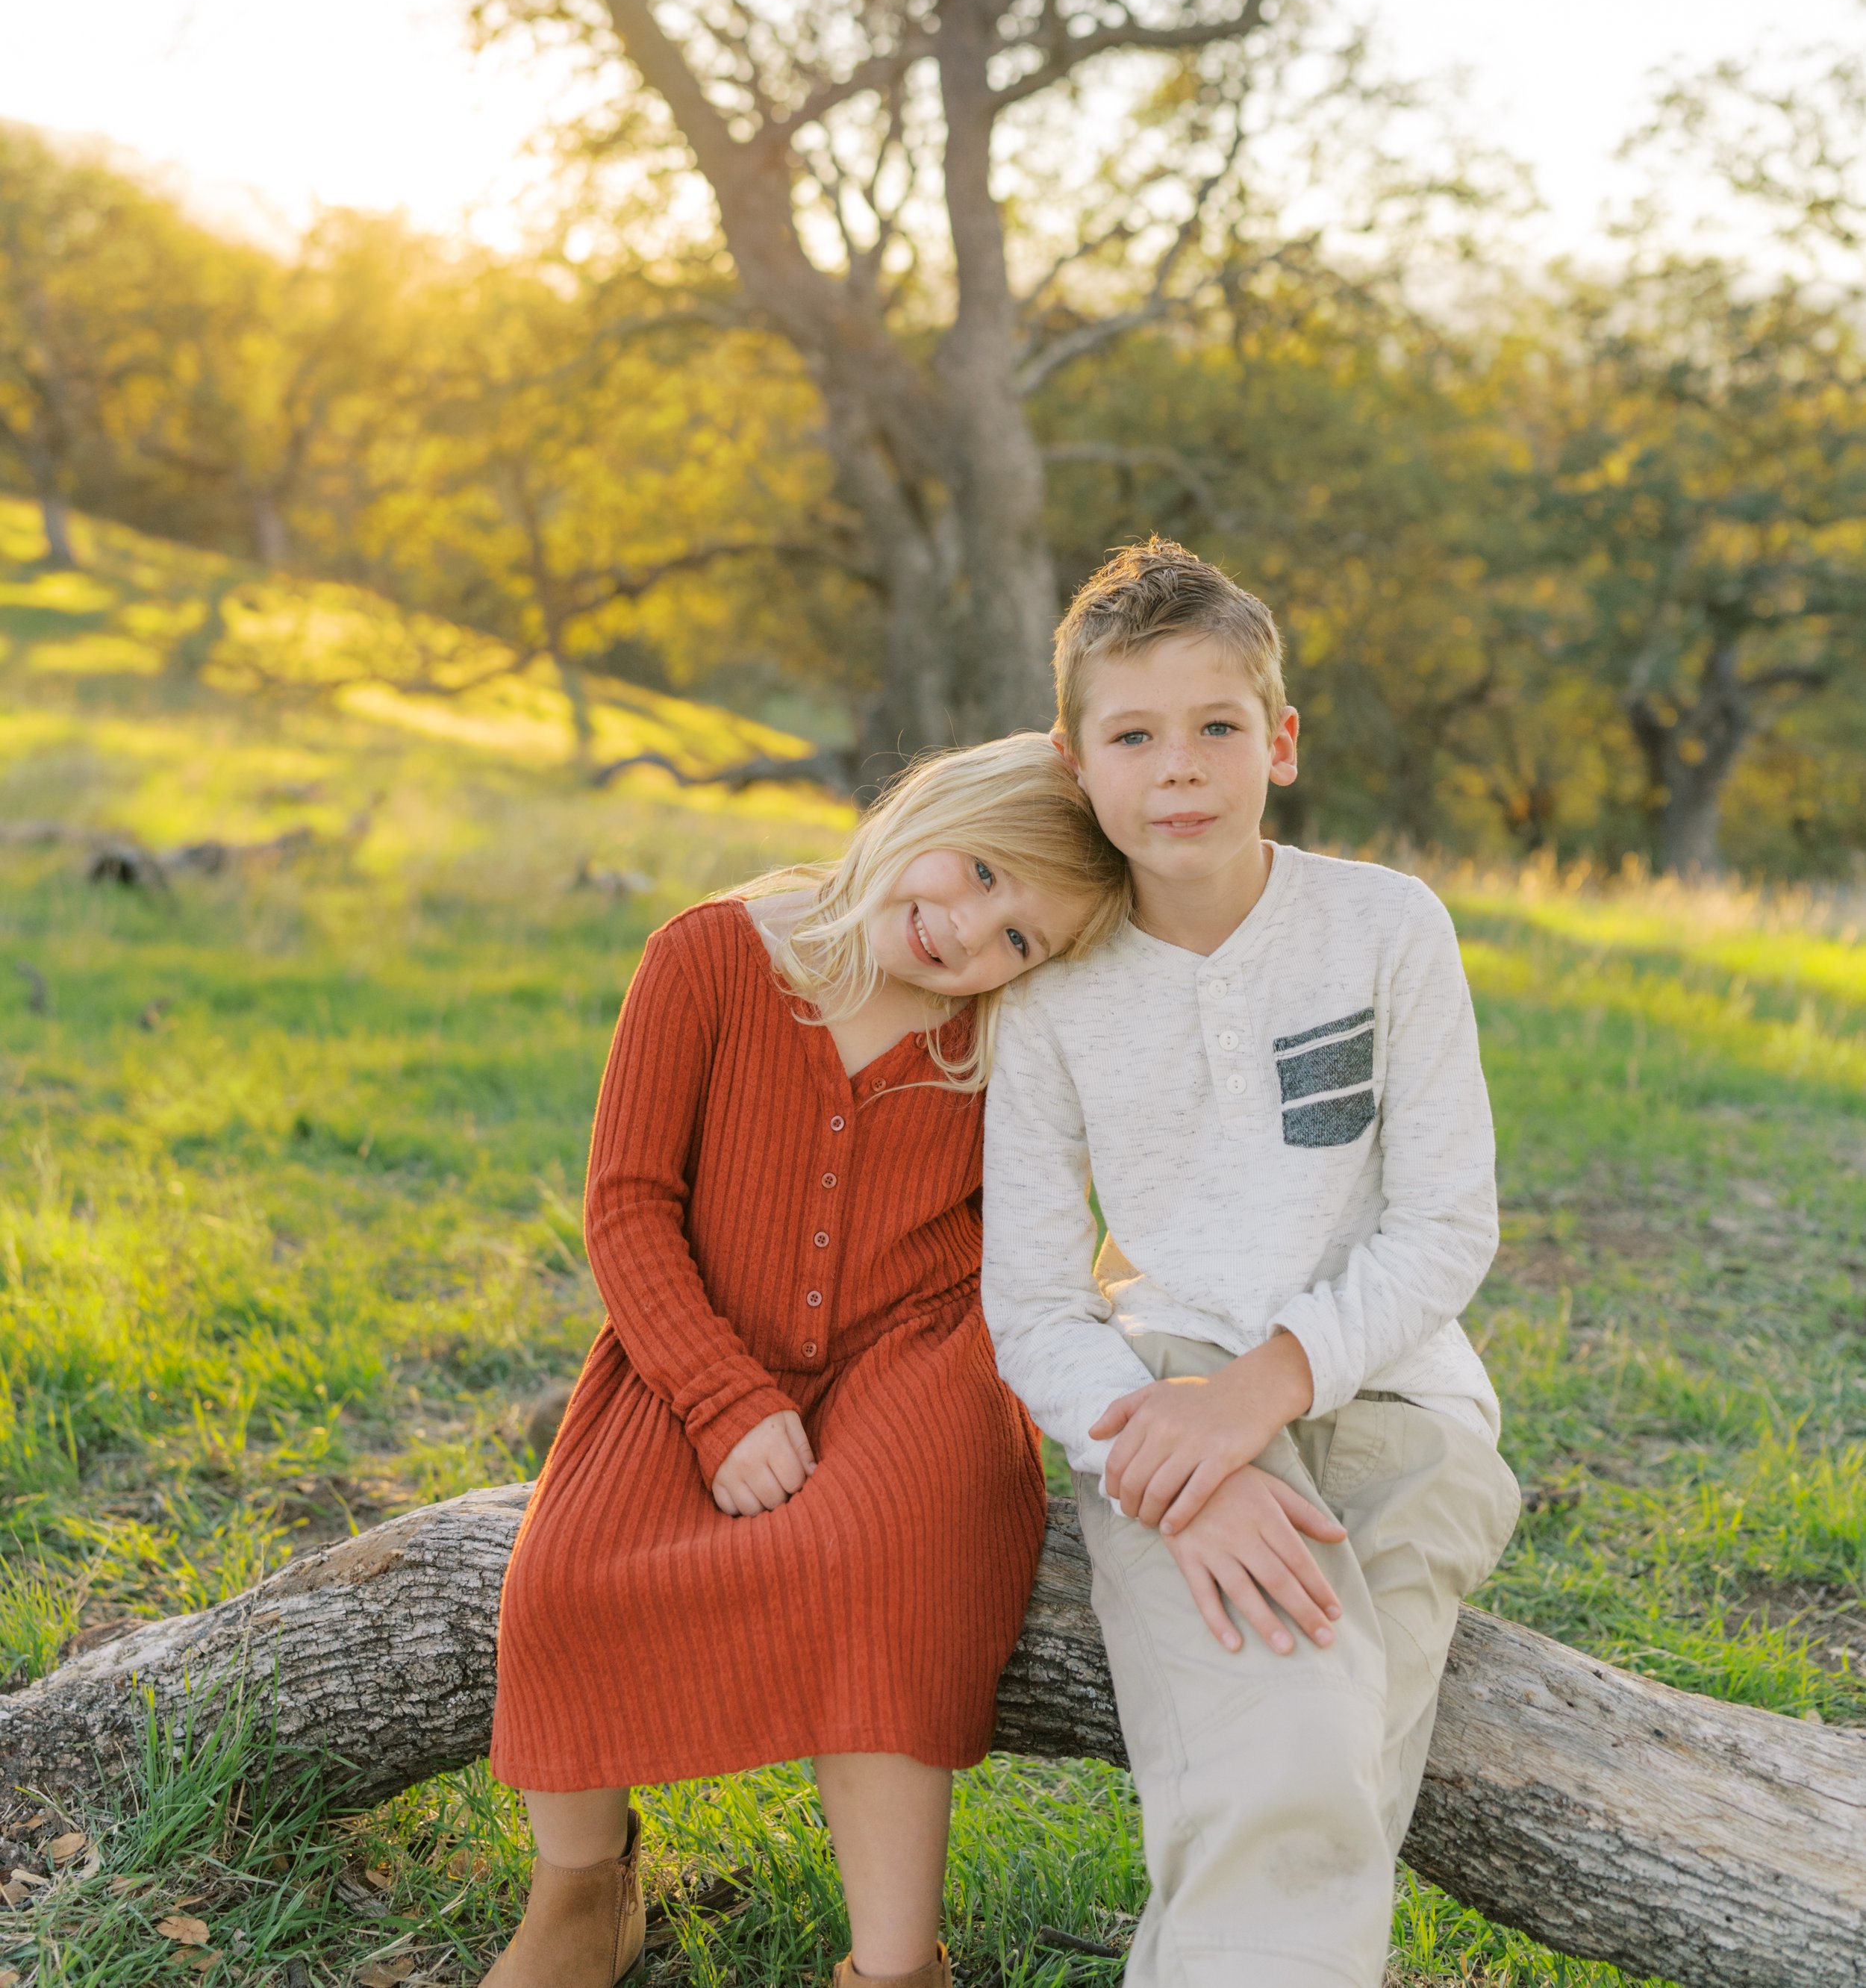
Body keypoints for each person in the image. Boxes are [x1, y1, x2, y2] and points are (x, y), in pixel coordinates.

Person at [484, 732, 1129, 1988]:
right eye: (980, 870)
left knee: (876, 1560)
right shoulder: (711, 953)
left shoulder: (1004, 1036)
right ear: (924, 802)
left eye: (1020, 939)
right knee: (563, 1576)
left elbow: (1048, 1237)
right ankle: (582, 1886)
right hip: (703, 1340)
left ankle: (895, 1962)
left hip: (923, 1353)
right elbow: (626, 1204)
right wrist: (721, 1400)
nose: (970, 931)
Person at [982, 540, 1521, 1988]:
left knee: (1323, 1772)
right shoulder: (1046, 993)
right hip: (1160, 1393)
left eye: (1216, 726)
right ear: (1074, 762)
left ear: (1276, 743)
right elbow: (1031, 1302)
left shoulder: (1382, 927)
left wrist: (1271, 1391)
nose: (1179, 770)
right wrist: (1192, 1454)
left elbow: (1443, 1228)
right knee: (1291, 1752)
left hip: (1406, 1409)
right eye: (1133, 735)